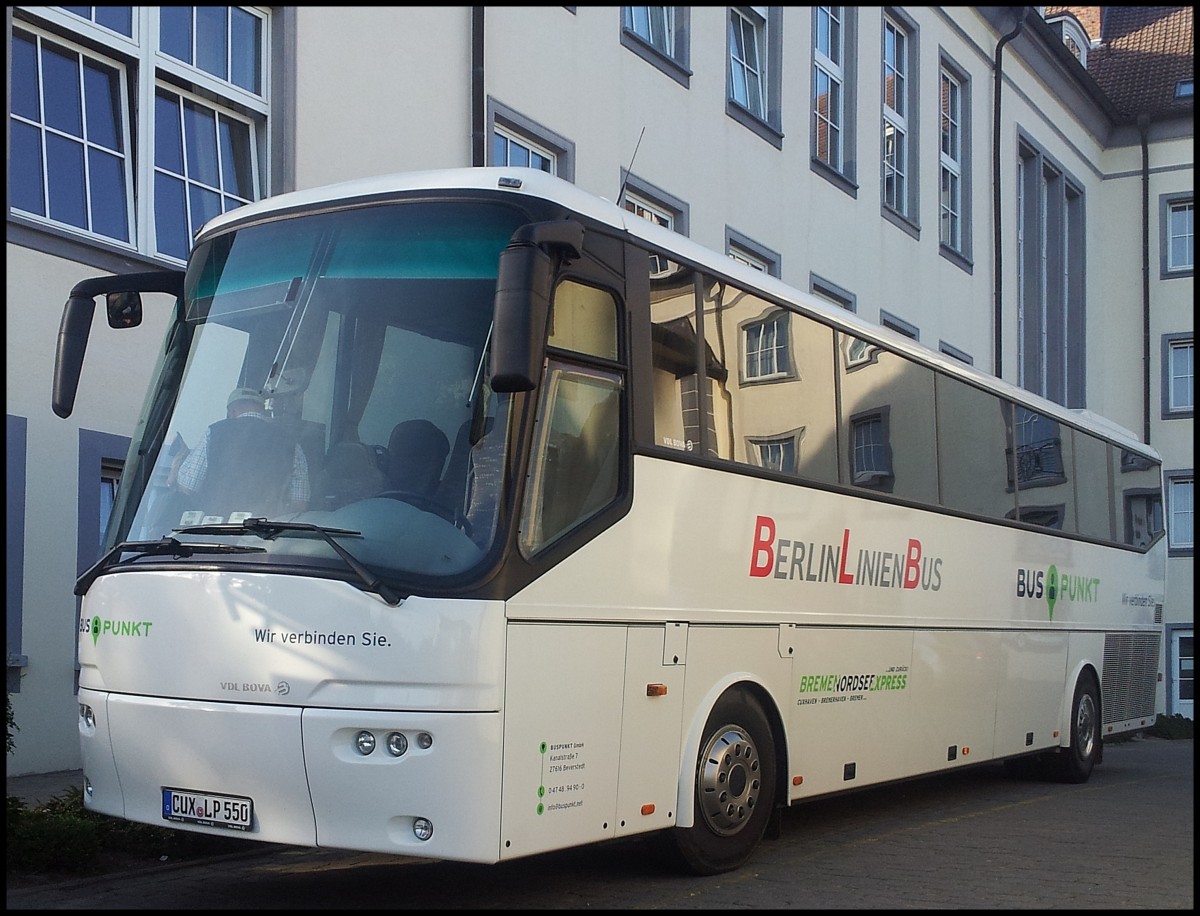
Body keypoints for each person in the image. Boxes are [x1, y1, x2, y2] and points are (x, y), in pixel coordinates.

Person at [175, 387, 310, 519]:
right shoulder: (291, 443)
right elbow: (300, 503)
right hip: (267, 536)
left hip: (215, 532)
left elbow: (187, 488)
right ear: (263, 410)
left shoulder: (214, 432)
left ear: (232, 412)